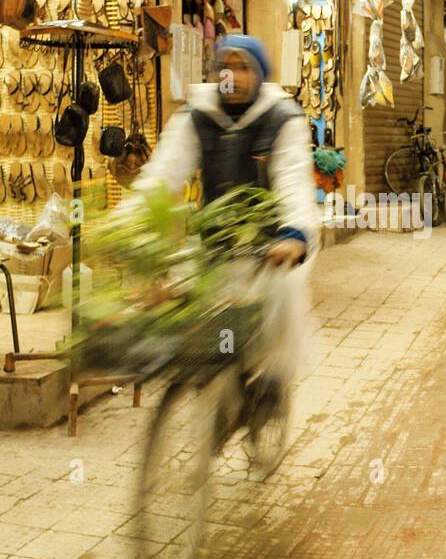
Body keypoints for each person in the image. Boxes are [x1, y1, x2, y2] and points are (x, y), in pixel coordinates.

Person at [130, 34, 318, 393]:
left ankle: (270, 389)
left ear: (259, 73)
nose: (233, 75)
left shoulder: (282, 118)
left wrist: (294, 233)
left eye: (242, 67)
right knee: (206, 331)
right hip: (213, 246)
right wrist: (133, 220)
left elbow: (294, 180)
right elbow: (163, 173)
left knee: (273, 329)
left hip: (269, 250)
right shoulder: (198, 116)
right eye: (225, 67)